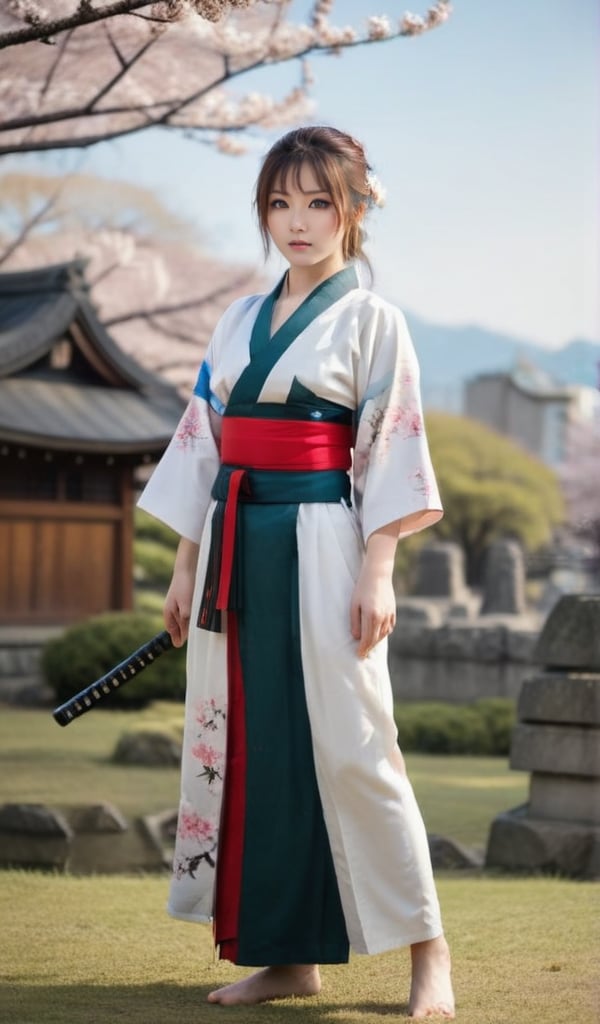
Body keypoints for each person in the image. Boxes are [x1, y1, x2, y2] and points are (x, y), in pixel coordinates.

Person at [138, 125, 455, 1019]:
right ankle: (285, 955)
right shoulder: (238, 318)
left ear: (355, 208)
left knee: (358, 745)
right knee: (255, 744)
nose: (297, 222)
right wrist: (182, 565)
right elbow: (203, 447)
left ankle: (428, 952)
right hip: (233, 543)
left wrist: (379, 567)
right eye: (280, 203)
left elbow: (390, 445)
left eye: (319, 201)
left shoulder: (372, 319)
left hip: (323, 539)